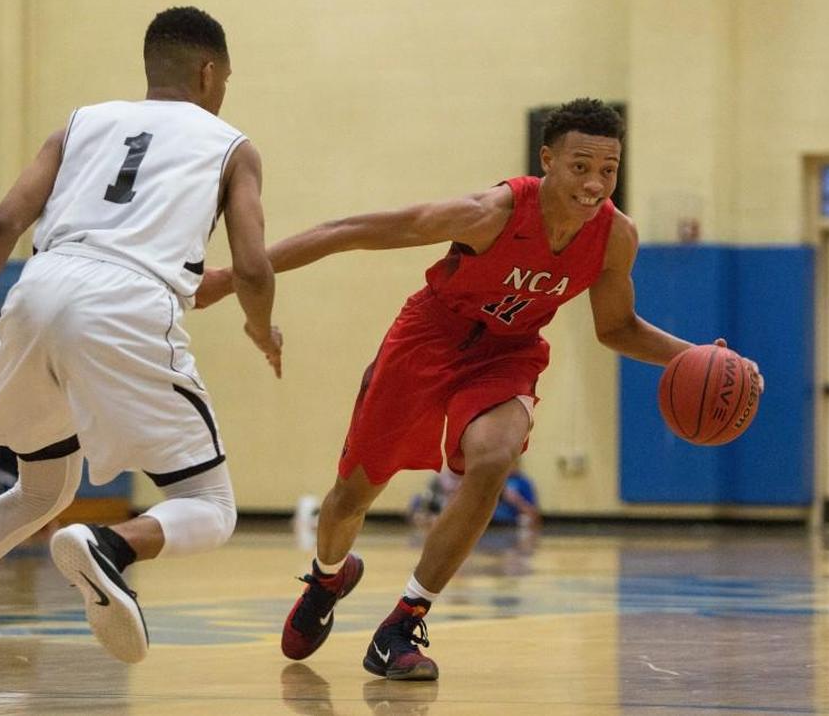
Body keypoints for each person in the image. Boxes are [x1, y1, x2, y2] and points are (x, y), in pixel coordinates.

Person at [197, 98, 764, 681]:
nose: (595, 183)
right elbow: (351, 232)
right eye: (580, 166)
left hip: (508, 352)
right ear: (548, 160)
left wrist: (705, 358)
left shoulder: (616, 237)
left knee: (494, 458)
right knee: (351, 496)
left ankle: (401, 624)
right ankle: (329, 575)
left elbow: (615, 327)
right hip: (428, 338)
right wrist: (232, 277)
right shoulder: (491, 212)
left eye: (609, 169)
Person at [0, 6, 281, 690]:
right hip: (125, 300)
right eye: (225, 79)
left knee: (39, 490)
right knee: (211, 505)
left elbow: (3, 222)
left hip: (36, 291)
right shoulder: (231, 144)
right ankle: (110, 545)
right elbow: (252, 267)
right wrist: (260, 323)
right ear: (209, 71)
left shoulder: (81, 123)